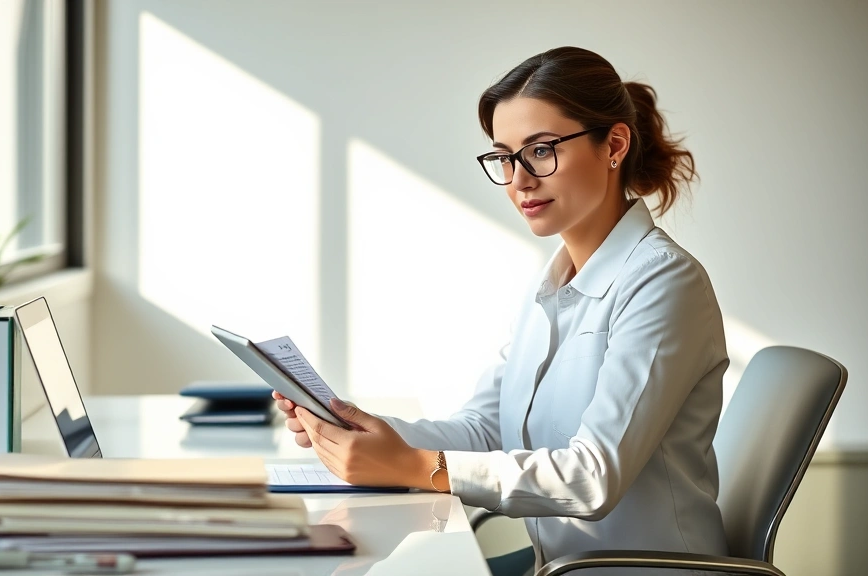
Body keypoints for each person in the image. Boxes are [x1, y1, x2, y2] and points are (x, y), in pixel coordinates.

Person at [274, 46, 729, 575]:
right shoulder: (553, 280)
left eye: (540, 150)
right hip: (560, 564)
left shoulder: (664, 281)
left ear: (615, 145)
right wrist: (367, 432)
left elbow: (592, 477)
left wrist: (416, 466)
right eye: (504, 157)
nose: (518, 180)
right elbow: (486, 429)